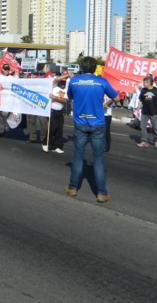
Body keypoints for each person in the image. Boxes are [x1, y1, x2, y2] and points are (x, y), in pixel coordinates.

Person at [65, 56, 118, 203]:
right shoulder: (101, 82)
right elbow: (116, 97)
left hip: (80, 123)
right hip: (98, 124)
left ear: (81, 68)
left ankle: (72, 188)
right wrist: (106, 104)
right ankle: (102, 193)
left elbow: (69, 97)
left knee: (78, 157)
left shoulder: (74, 81)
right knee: (98, 160)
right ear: (95, 69)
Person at [137, 76, 157, 148]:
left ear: (150, 83)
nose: (143, 84)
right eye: (143, 82)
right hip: (144, 112)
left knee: (155, 127)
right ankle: (144, 141)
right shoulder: (143, 90)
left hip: (154, 112)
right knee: (142, 127)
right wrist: (138, 108)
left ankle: (156, 141)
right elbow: (140, 100)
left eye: (145, 82)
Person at [43, 76, 68, 153]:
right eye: (62, 82)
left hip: (60, 111)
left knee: (59, 130)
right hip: (52, 110)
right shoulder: (53, 87)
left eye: (64, 82)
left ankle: (56, 146)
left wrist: (55, 98)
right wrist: (66, 75)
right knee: (51, 128)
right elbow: (56, 79)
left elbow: (65, 101)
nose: (63, 84)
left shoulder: (65, 90)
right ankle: (46, 143)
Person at [0, 64, 13, 135]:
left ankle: (7, 127)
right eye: (5, 69)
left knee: (7, 115)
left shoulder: (12, 78)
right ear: (2, 69)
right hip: (0, 100)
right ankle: (1, 130)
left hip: (9, 99)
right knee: (0, 116)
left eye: (7, 69)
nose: (6, 71)